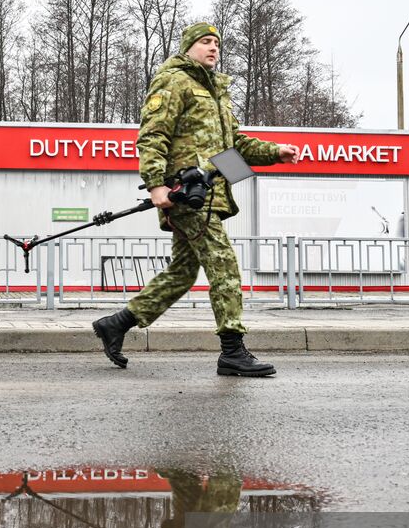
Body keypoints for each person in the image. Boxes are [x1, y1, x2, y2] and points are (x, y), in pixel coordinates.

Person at [92, 22, 299, 376]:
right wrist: (157, 186)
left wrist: (275, 151)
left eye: (217, 43)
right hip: (184, 194)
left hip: (210, 192)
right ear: (189, 47)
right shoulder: (173, 81)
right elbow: (152, 136)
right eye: (205, 42)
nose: (213, 48)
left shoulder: (217, 91)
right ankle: (232, 350)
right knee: (224, 266)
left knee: (183, 272)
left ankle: (117, 324)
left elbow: (232, 148)